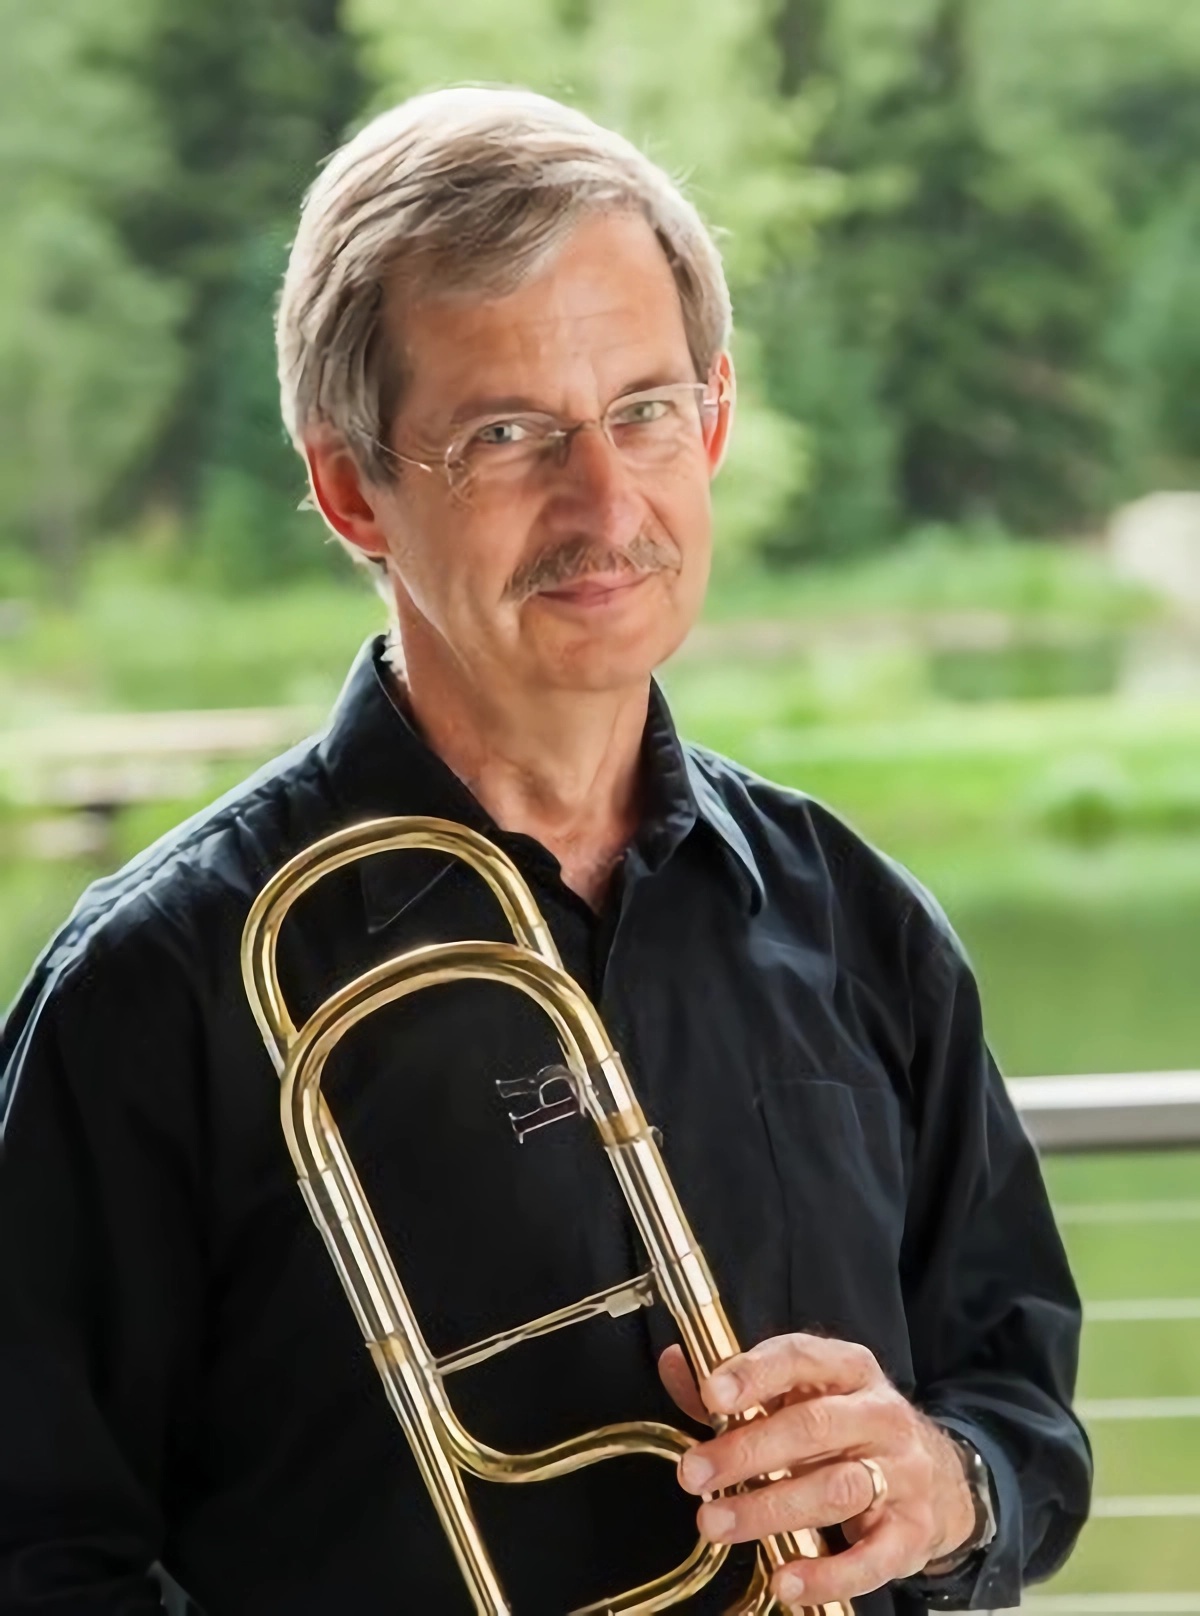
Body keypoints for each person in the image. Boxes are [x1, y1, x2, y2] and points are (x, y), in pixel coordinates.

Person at [0, 87, 1090, 1616]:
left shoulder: (858, 923)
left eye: (643, 411)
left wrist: (947, 1482)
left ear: (711, 420)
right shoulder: (154, 990)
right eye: (506, 434)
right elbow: (41, 1551)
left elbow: (1021, 1408)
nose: (603, 503)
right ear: (349, 491)